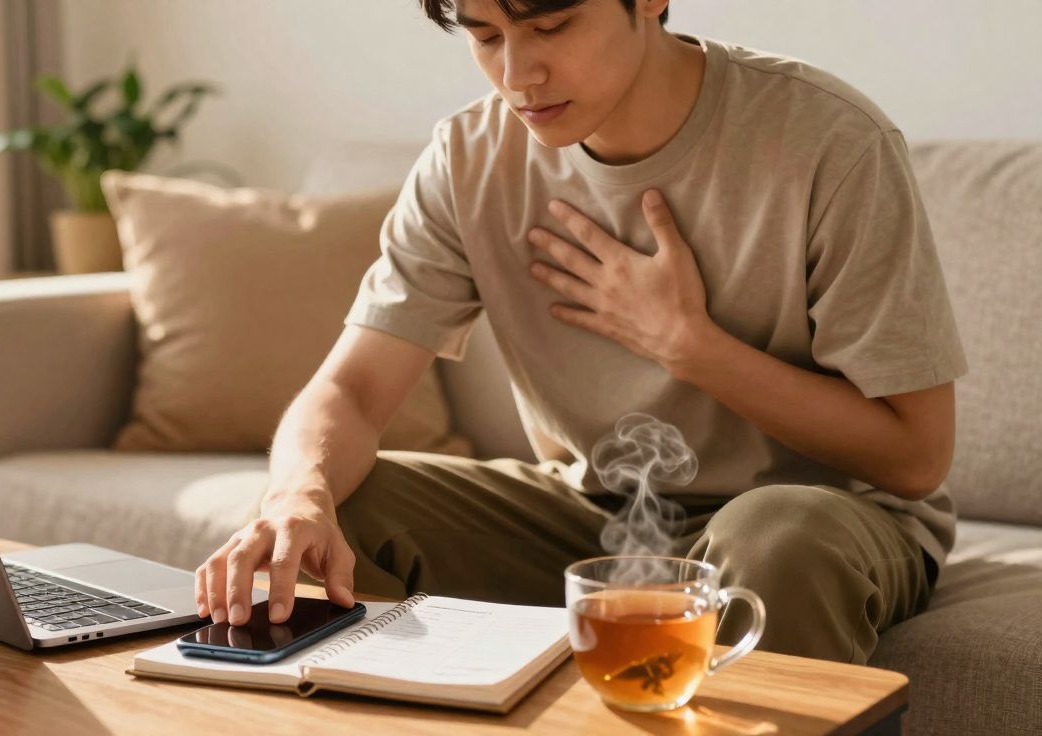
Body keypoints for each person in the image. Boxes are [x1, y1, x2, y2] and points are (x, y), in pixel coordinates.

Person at [194, 0, 967, 664]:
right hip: (593, 514)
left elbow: (916, 456)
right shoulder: (468, 160)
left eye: (552, 26)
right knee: (336, 511)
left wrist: (691, 347)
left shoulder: (830, 141)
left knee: (776, 537)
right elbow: (353, 390)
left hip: (821, 520)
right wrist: (298, 496)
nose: (517, 74)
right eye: (485, 35)